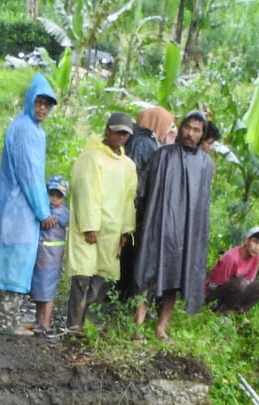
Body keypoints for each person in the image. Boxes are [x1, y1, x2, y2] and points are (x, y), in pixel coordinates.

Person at [0, 73, 59, 335]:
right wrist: (43, 211)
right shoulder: (26, 131)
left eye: (47, 104)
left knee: (6, 261)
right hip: (19, 210)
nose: (42, 108)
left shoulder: (28, 128)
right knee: (15, 265)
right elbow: (30, 175)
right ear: (30, 101)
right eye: (39, 102)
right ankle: (8, 324)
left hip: (12, 206)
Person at [132, 111, 215, 342]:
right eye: (188, 127)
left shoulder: (206, 165)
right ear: (181, 128)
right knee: (149, 274)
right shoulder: (163, 155)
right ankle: (138, 327)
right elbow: (144, 190)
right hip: (159, 227)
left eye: (197, 130)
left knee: (175, 279)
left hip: (186, 233)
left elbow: (202, 204)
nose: (190, 133)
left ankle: (161, 328)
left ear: (202, 134)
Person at [65, 111, 138, 332]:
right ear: (107, 131)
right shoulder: (91, 157)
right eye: (117, 132)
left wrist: (126, 230)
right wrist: (90, 226)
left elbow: (128, 198)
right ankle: (73, 325)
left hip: (113, 230)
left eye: (125, 134)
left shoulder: (128, 165)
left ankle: (89, 325)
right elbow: (86, 192)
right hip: (91, 229)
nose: (121, 138)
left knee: (103, 277)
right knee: (83, 277)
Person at [118, 106, 174, 311]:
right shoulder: (146, 143)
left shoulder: (136, 138)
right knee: (129, 252)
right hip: (135, 205)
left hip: (128, 203)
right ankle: (123, 298)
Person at [31, 176, 69, 334]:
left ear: (64, 197)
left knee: (48, 289)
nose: (54, 199)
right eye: (51, 194)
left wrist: (48, 217)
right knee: (40, 288)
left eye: (58, 195)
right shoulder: (44, 209)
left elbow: (54, 221)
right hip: (41, 255)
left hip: (52, 257)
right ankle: (38, 319)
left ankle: (45, 322)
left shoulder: (62, 213)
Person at [205, 225, 259, 312]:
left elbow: (249, 280)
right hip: (214, 293)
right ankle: (221, 311)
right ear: (246, 240)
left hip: (236, 291)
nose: (257, 247)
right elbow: (213, 285)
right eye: (255, 242)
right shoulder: (231, 258)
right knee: (241, 283)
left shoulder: (256, 256)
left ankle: (238, 312)